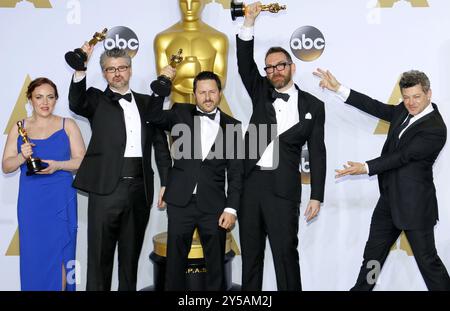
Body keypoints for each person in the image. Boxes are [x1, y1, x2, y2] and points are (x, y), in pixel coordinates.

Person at [314, 68, 450, 290]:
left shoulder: (435, 129)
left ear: (429, 94)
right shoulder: (403, 111)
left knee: (428, 264)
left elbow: (403, 156)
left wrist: (366, 167)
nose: (411, 103)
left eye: (416, 97)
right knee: (372, 260)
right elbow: (375, 107)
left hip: (415, 208)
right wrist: (339, 89)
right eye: (406, 98)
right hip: (388, 202)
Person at [236, 3, 327, 291]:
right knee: (250, 259)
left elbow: (318, 150)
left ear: (292, 67)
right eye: (270, 67)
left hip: (284, 188)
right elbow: (242, 61)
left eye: (280, 65)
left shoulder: (314, 105)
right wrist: (249, 22)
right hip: (251, 186)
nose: (275, 71)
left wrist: (317, 195)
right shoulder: (260, 89)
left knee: (286, 258)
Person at [68, 46, 173, 291]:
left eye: (121, 68)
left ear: (130, 69)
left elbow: (160, 147)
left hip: (140, 189)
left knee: (129, 263)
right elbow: (76, 101)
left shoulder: (148, 103)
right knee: (99, 261)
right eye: (110, 69)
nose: (117, 73)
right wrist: (80, 67)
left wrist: (166, 182)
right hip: (105, 190)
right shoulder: (94, 99)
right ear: (104, 73)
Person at [149, 71, 243, 290]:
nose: (207, 97)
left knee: (216, 268)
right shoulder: (179, 112)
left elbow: (236, 172)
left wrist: (231, 209)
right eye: (202, 92)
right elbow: (152, 116)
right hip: (180, 201)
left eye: (212, 92)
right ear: (194, 95)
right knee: (174, 267)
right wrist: (163, 82)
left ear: (220, 93)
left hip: (215, 206)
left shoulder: (233, 126)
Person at [2, 77, 86, 291]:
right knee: (34, 258)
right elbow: (6, 166)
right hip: (32, 204)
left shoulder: (68, 125)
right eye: (39, 97)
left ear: (56, 99)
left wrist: (58, 165)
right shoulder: (19, 127)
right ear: (30, 99)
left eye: (50, 97)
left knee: (62, 255)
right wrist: (22, 156)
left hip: (61, 199)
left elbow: (82, 162)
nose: (45, 102)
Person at [154, 0, 233, 115]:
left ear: (203, 2)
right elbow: (162, 82)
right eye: (183, 2)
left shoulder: (218, 39)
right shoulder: (163, 39)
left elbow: (221, 80)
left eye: (194, 2)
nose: (189, 7)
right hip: (177, 113)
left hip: (211, 111)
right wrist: (182, 71)